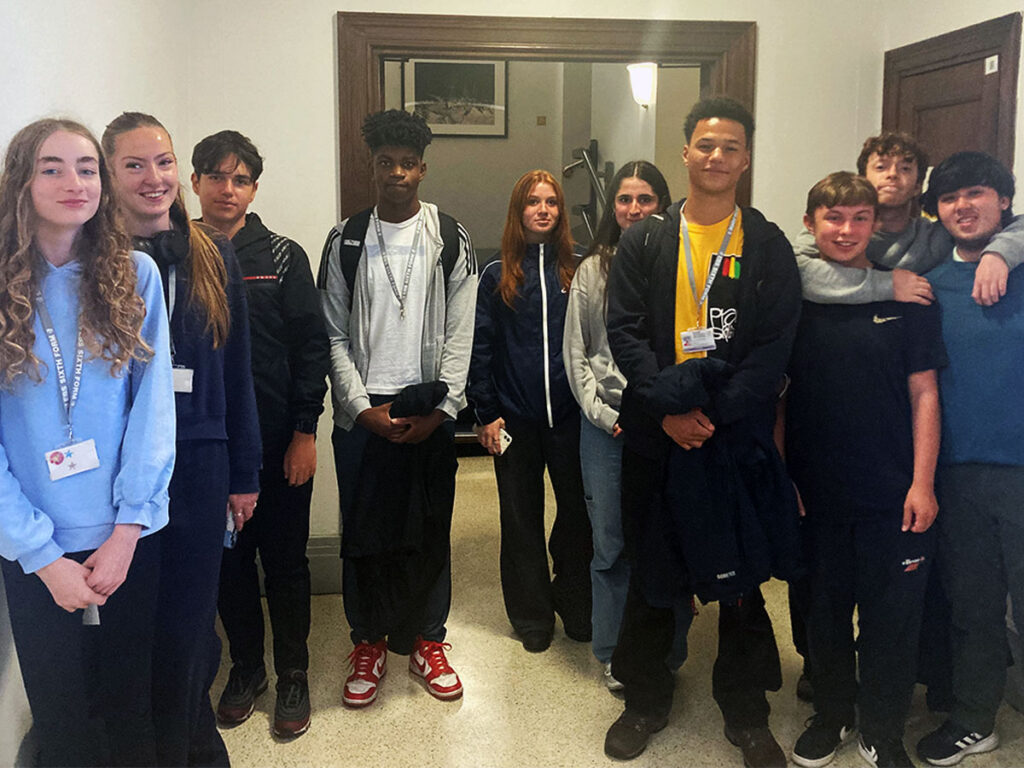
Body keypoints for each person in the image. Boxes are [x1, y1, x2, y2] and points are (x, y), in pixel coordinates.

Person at [602, 97, 802, 767]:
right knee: (654, 576)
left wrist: (714, 419)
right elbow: (624, 333)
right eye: (705, 145)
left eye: (730, 147)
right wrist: (666, 412)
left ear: (745, 160)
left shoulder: (766, 243)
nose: (716, 157)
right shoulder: (646, 239)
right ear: (685, 153)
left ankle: (747, 714)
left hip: (733, 439)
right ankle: (645, 700)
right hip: (659, 437)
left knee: (741, 584)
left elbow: (774, 347)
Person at [0, 118, 174, 766]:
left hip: (125, 537)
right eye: (51, 167)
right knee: (61, 716)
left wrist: (129, 528)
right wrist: (41, 556)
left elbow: (152, 413)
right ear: (21, 180)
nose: (74, 182)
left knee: (134, 705)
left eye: (86, 167)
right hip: (31, 541)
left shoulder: (135, 276)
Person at [103, 112, 262, 767]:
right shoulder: (94, 259)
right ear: (109, 175)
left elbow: (236, 370)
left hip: (200, 462)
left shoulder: (210, 251)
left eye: (163, 162)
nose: (154, 177)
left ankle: (193, 746)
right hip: (119, 472)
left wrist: (244, 474)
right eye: (135, 165)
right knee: (136, 625)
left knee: (193, 624)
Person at [784, 172, 945, 768]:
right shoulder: (793, 303)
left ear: (876, 224)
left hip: (894, 495)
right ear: (810, 225)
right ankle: (831, 714)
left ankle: (882, 728)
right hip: (816, 493)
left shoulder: (911, 299)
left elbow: (925, 395)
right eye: (834, 218)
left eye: (859, 218)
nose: (846, 230)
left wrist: (923, 482)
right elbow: (778, 397)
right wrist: (785, 478)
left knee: (892, 622)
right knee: (821, 617)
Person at [319, 109, 476, 708]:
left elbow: (463, 334)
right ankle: (369, 640)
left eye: (407, 164)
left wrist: (443, 411)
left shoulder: (450, 237)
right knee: (364, 535)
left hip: (427, 410)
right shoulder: (346, 239)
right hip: (364, 417)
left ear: (422, 170)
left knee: (430, 530)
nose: (396, 173)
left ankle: (428, 639)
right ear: (373, 167)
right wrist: (360, 409)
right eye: (386, 163)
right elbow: (332, 334)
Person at [191, 130, 329, 739]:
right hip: (206, 449)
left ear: (253, 189)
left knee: (285, 560)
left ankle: (292, 671)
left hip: (277, 444)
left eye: (240, 178)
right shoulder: (174, 255)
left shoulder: (281, 256)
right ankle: (247, 669)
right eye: (216, 176)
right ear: (194, 182)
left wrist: (305, 430)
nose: (228, 188)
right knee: (229, 564)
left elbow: (311, 347)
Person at [563, 160, 691, 690]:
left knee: (671, 542)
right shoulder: (594, 269)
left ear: (663, 203)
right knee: (611, 544)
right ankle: (614, 650)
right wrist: (607, 416)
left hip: (671, 426)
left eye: (645, 199)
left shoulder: (684, 262)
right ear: (612, 208)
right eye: (625, 200)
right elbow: (578, 354)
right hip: (610, 430)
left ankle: (670, 650)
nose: (635, 209)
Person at [914, 152, 1024, 767]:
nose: (964, 206)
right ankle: (976, 718)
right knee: (974, 606)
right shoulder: (930, 286)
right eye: (951, 197)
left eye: (976, 193)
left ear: (1003, 202)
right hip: (955, 474)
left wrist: (1005, 251)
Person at [469, 169, 592, 654]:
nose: (543, 209)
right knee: (520, 519)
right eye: (533, 202)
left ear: (561, 212)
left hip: (570, 417)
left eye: (552, 202)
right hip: (514, 419)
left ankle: (576, 602)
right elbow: (481, 345)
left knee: (577, 517)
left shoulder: (579, 271)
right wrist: (485, 411)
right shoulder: (497, 274)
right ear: (518, 211)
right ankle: (531, 615)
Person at [793, 131, 1024, 307]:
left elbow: (1012, 224)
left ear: (917, 185)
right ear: (863, 178)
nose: (892, 174)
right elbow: (796, 275)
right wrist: (888, 284)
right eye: (881, 167)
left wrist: (998, 254)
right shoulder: (836, 230)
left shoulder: (934, 236)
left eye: (905, 168)